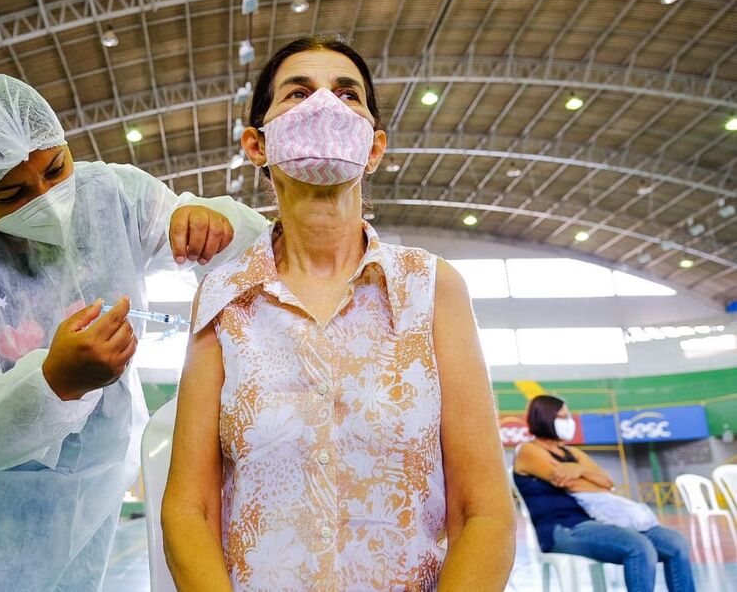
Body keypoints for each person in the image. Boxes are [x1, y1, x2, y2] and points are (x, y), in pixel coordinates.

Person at [0, 74, 267, 592]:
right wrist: (54, 382)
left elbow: (249, 246)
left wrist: (209, 222)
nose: (47, 197)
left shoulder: (111, 197)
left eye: (55, 168)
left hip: (83, 508)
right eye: (11, 193)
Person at [161, 36, 516, 591]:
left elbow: (483, 512)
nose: (325, 104)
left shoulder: (431, 288)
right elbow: (190, 511)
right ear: (257, 144)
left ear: (373, 148)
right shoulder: (223, 297)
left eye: (348, 94)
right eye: (298, 93)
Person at [513, 395, 696, 592]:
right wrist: (587, 477)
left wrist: (580, 470)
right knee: (639, 546)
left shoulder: (572, 453)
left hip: (596, 523)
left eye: (568, 416)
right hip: (562, 529)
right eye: (562, 417)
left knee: (676, 543)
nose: (568, 422)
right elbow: (573, 485)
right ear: (544, 417)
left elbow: (607, 483)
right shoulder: (528, 451)